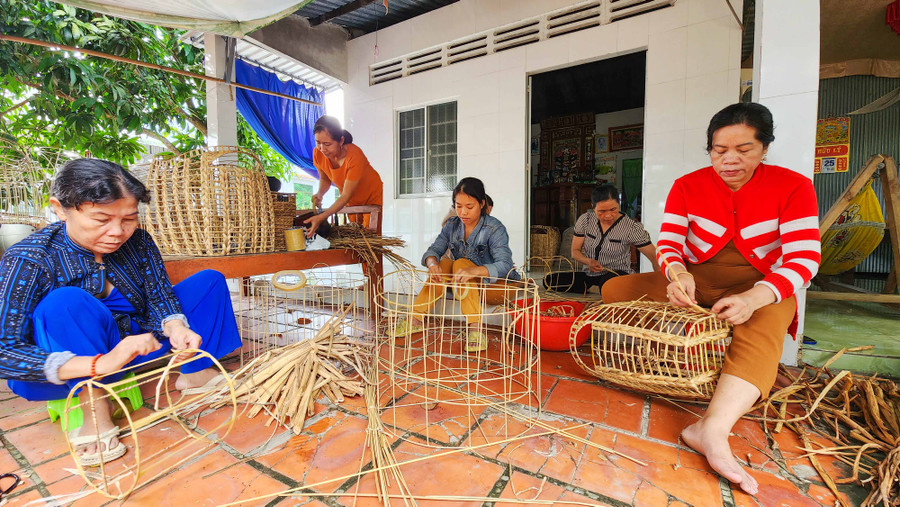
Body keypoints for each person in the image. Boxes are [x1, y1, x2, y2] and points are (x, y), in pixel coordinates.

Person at [601, 102, 821, 494]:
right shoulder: (688, 185)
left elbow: (805, 258)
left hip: (758, 286)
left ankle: (711, 429)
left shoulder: (793, 186)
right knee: (614, 290)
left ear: (765, 148)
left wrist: (756, 297)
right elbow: (669, 243)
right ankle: (674, 349)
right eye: (720, 151)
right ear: (710, 149)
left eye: (744, 150)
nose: (730, 160)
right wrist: (677, 274)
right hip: (697, 280)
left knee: (769, 318)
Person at [0, 159, 242, 466]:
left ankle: (195, 374)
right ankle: (94, 410)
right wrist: (100, 363)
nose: (118, 232)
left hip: (138, 346)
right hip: (68, 370)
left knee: (209, 281)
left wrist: (176, 327)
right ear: (60, 209)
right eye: (101, 219)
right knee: (64, 302)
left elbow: (160, 295)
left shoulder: (138, 241)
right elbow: (4, 351)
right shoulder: (30, 257)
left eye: (129, 218)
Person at [390, 178, 519, 352]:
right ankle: (415, 319)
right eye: (458, 206)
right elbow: (433, 250)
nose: (463, 212)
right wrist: (431, 263)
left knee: (460, 263)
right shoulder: (452, 226)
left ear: (481, 204)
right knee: (442, 264)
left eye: (469, 206)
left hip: (495, 287)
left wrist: (474, 270)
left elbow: (505, 265)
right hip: (464, 284)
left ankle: (475, 329)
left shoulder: (494, 228)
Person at [544, 184, 657, 294]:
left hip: (616, 274)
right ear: (593, 207)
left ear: (619, 204)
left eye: (613, 209)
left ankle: (599, 289)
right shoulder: (586, 220)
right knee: (549, 280)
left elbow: (653, 256)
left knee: (609, 283)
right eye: (602, 211)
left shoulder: (631, 227)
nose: (608, 215)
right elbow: (575, 251)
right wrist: (588, 261)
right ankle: (597, 289)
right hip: (589, 274)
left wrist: (662, 282)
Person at [305, 115, 384, 237]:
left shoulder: (354, 156)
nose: (322, 148)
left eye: (327, 144)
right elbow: (325, 178)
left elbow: (346, 195)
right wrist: (320, 193)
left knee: (369, 236)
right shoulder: (318, 153)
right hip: (351, 200)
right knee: (356, 234)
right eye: (318, 142)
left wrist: (322, 217)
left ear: (341, 141)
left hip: (370, 196)